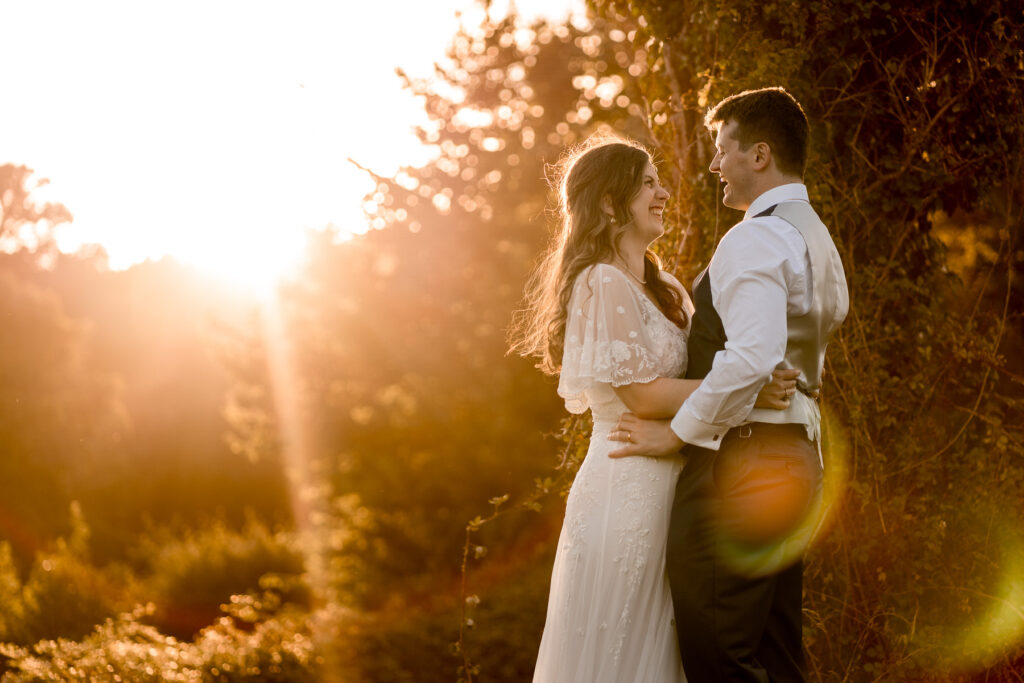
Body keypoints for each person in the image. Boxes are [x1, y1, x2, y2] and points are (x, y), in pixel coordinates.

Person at [509, 135, 798, 682]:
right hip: (625, 489)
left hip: (680, 483)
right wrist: (748, 389)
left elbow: (701, 374)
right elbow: (641, 396)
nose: (663, 191)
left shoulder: (665, 287)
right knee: (623, 648)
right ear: (609, 203)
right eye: (647, 182)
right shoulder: (598, 281)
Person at [609, 87, 849, 682]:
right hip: (795, 457)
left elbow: (750, 358)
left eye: (723, 150)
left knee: (719, 658)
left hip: (740, 465)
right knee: (776, 654)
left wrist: (676, 436)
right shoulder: (816, 237)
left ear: (759, 155)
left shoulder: (755, 236)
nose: (715, 164)